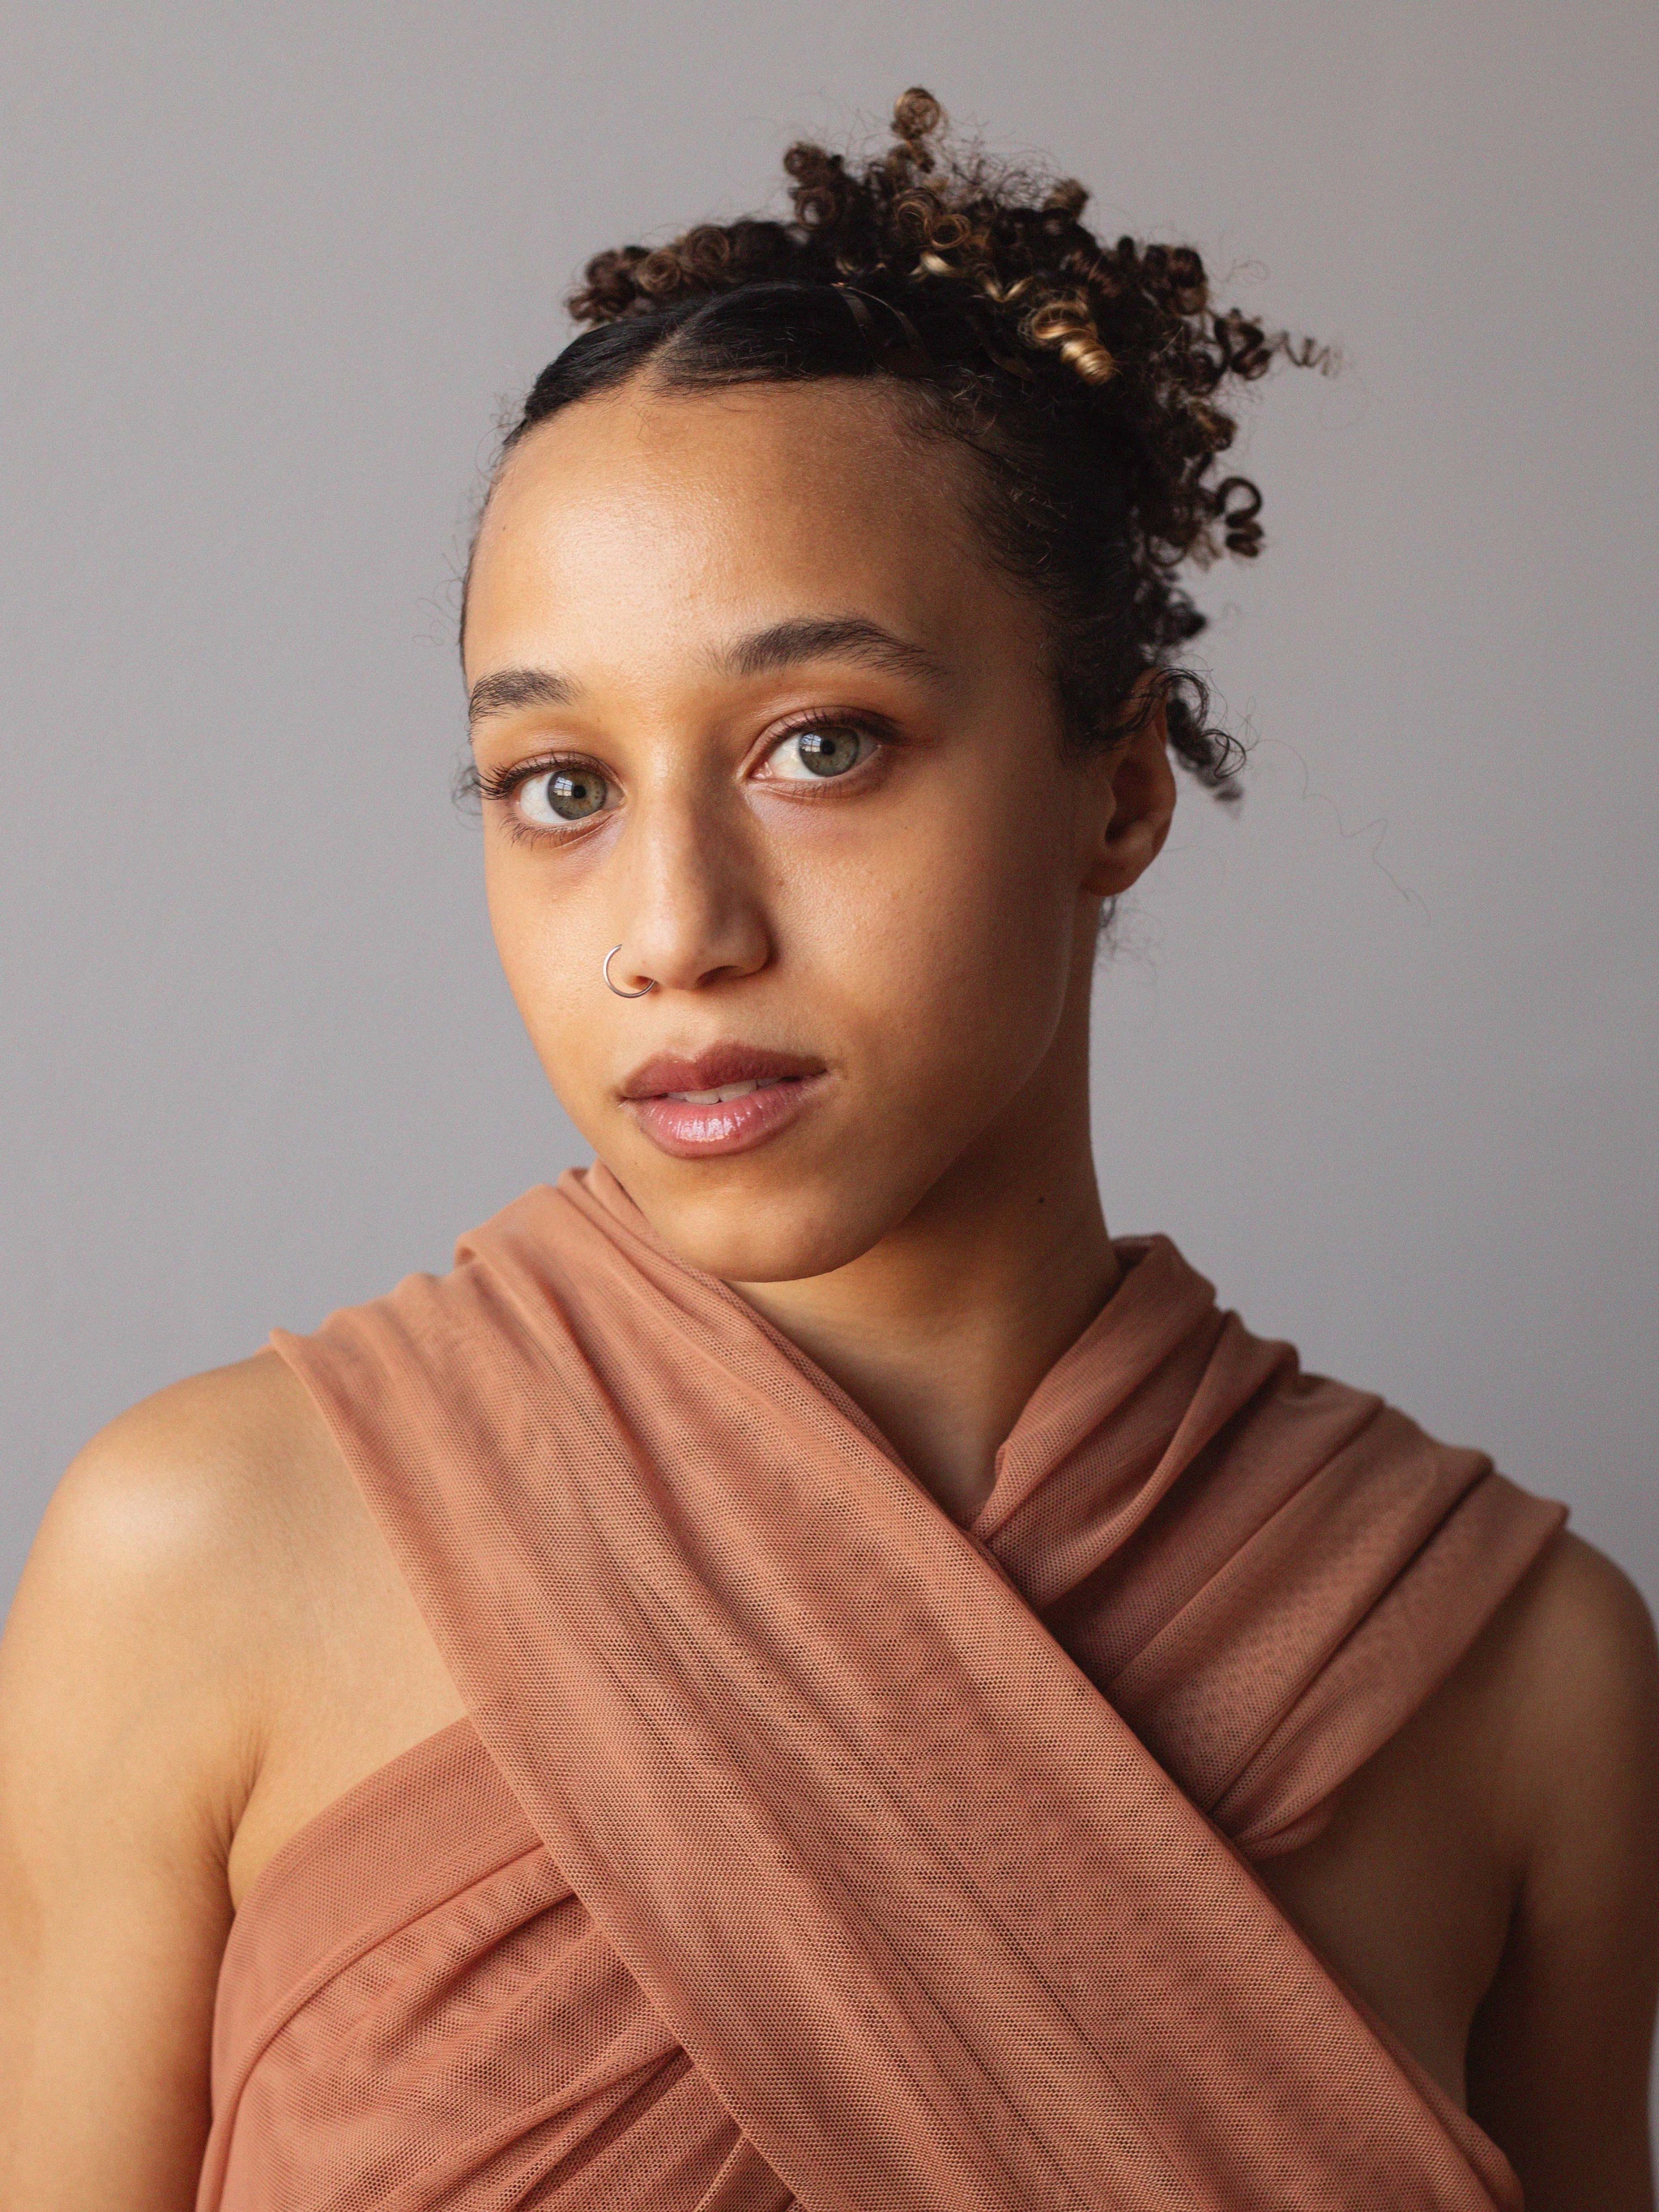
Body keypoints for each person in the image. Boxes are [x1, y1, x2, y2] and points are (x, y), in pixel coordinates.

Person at [2, 87, 1655, 2212]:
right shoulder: (196, 1562)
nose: (675, 929)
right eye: (558, 784)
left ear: (1120, 783)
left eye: (820, 746)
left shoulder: (1519, 1679)